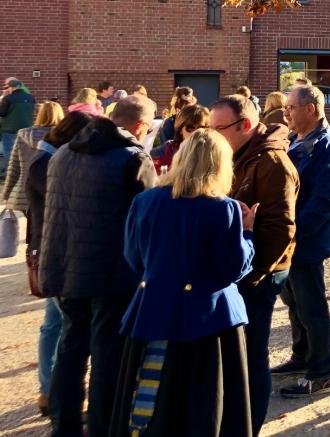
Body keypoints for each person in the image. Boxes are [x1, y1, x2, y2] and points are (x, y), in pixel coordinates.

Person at [110, 128, 256, 436]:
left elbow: (133, 258)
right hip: (209, 320)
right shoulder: (223, 208)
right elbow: (232, 269)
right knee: (203, 407)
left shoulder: (145, 201)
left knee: (151, 403)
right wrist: (247, 233)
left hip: (153, 311)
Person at [40, 95, 158, 436]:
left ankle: (64, 425)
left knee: (71, 347)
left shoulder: (63, 152)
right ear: (140, 126)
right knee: (108, 356)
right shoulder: (133, 158)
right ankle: (105, 426)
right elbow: (148, 216)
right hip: (111, 272)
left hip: (64, 267)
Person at [210, 94, 299, 433]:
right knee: (235, 355)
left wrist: (251, 274)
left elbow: (281, 230)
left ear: (245, 125)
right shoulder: (236, 154)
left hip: (260, 275)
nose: (214, 136)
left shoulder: (273, 164)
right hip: (237, 270)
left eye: (219, 128)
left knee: (251, 354)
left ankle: (249, 425)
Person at [272, 85, 330, 398]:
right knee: (294, 302)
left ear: (310, 109)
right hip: (290, 239)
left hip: (305, 242)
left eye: (290, 107)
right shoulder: (297, 140)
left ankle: (320, 374)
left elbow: (325, 198)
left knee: (311, 306)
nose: (285, 113)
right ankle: (301, 356)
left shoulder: (325, 145)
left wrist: (297, 232)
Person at [23, 110, 91, 417]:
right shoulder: (48, 164)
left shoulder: (46, 159)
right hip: (52, 252)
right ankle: (52, 390)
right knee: (60, 324)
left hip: (49, 249)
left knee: (56, 323)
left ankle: (50, 390)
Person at [4, 101, 62, 214]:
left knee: (31, 223)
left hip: (24, 192)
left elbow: (14, 168)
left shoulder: (23, 135)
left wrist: (7, 193)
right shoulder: (63, 137)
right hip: (53, 190)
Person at [151, 104, 210, 172]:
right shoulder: (165, 152)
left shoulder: (212, 151)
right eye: (190, 128)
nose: (196, 132)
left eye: (201, 128)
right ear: (180, 130)